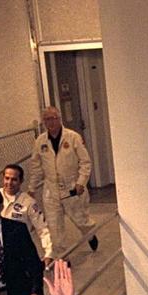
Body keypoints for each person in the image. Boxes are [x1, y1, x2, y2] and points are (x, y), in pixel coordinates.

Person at [28, 107, 96, 256]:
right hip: (51, 189)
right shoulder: (40, 141)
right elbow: (36, 167)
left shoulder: (73, 137)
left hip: (71, 187)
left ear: (59, 119)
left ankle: (90, 234)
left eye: (53, 118)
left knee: (81, 220)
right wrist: (32, 188)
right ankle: (62, 257)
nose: (50, 122)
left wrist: (81, 182)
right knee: (54, 227)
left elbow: (85, 162)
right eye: (46, 119)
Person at [0, 162, 53, 265]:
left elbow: (43, 229)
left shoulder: (29, 202)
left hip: (19, 250)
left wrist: (48, 253)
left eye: (14, 179)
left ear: (21, 181)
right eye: (7, 178)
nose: (9, 182)